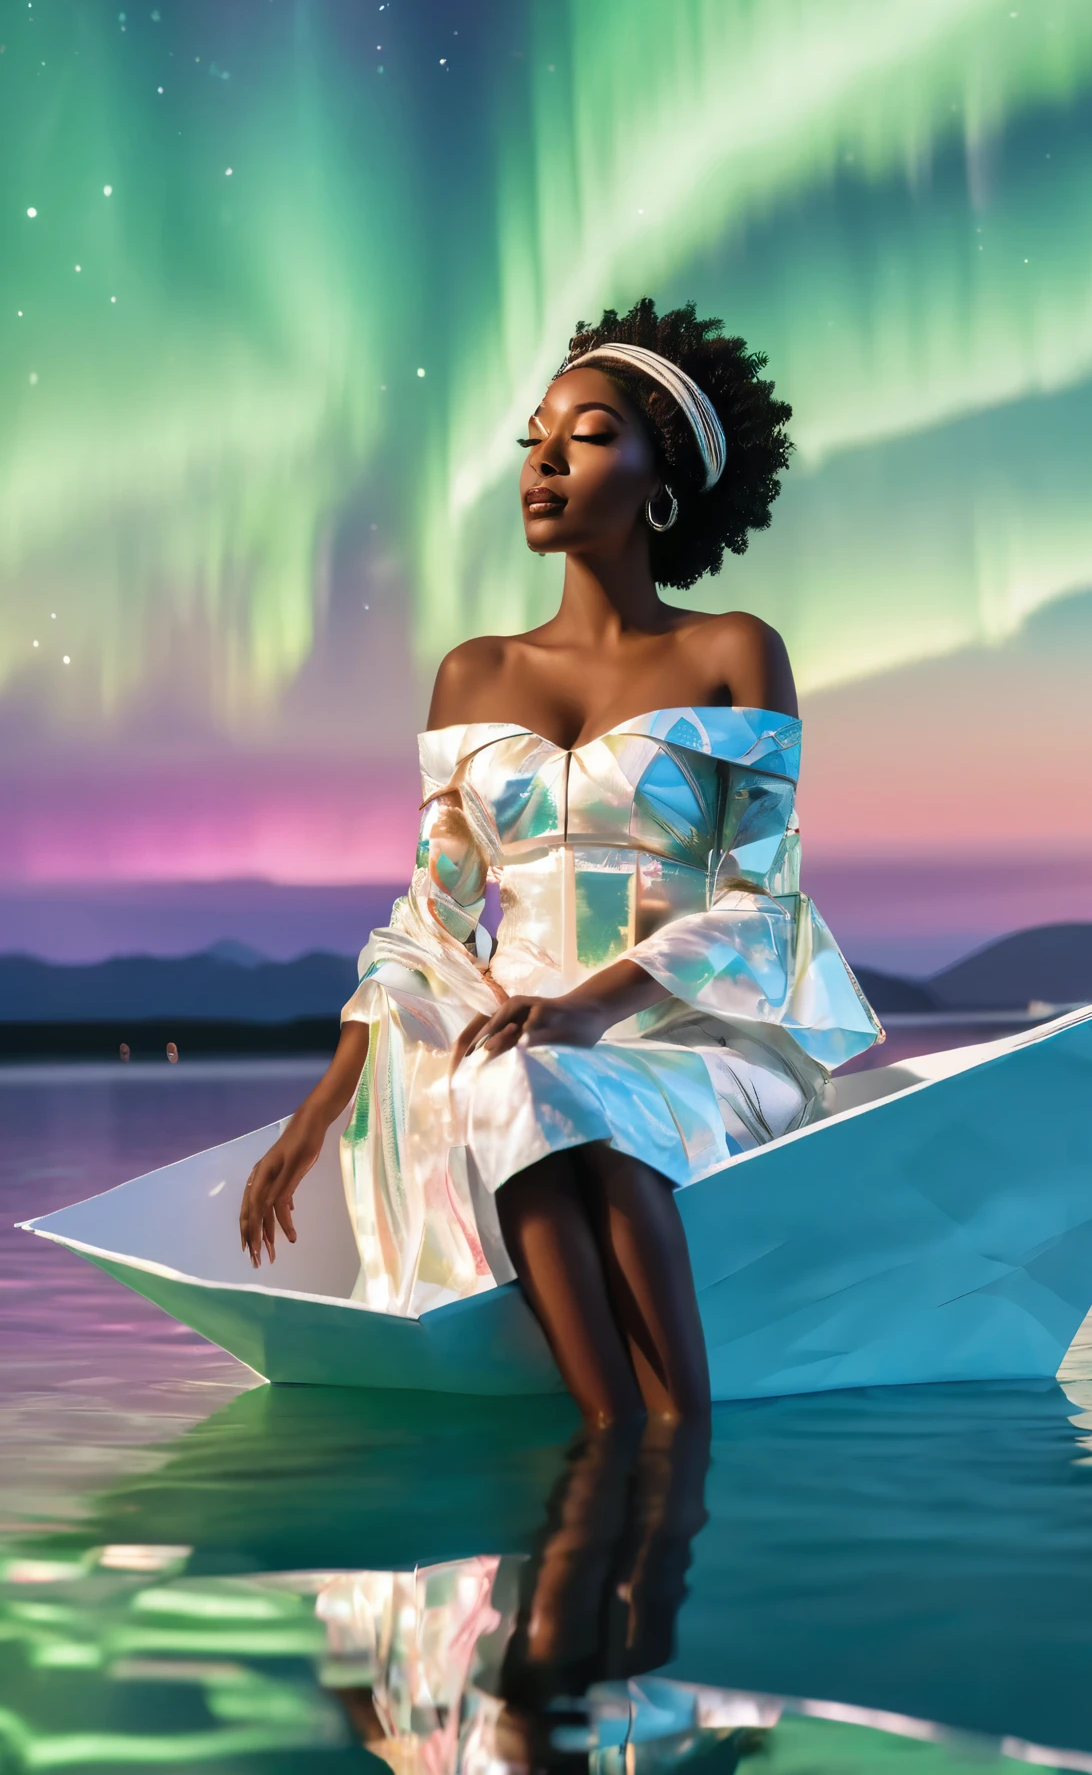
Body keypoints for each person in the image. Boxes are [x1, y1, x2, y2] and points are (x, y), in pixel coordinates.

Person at [239, 298, 881, 1427]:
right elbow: (430, 920)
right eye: (535, 433)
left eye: (585, 434)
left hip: (693, 1035)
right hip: (520, 1042)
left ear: (661, 475)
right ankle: (625, 1444)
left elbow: (759, 897)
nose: (543, 458)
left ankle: (659, 1447)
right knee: (516, 1077)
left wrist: (590, 1009)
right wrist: (324, 1103)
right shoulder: (471, 675)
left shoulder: (734, 650)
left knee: (545, 1080)